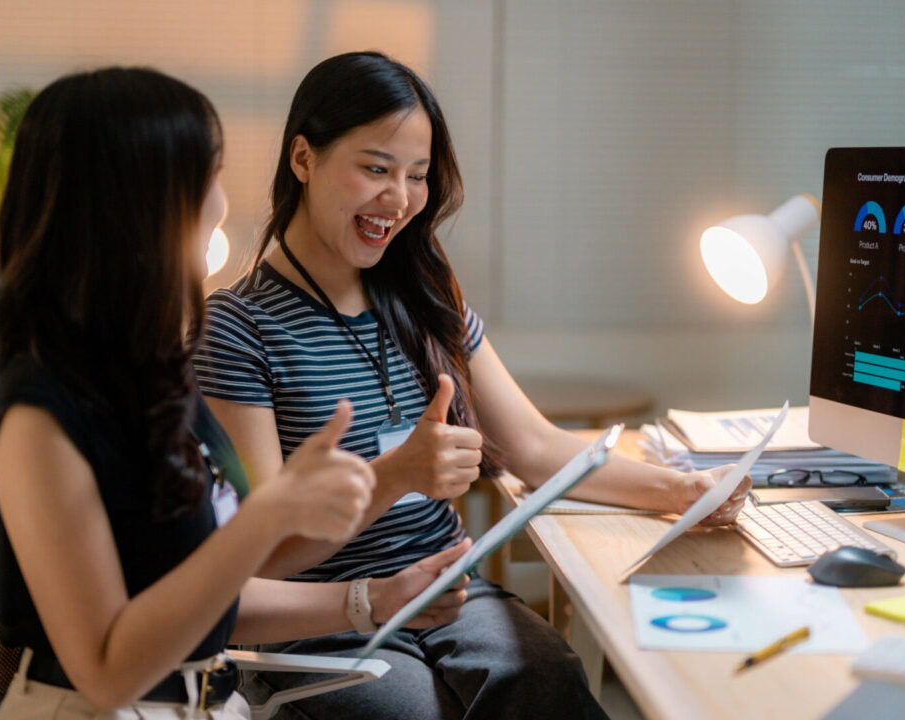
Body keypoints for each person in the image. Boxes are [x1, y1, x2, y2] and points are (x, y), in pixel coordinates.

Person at [195, 52, 752, 719]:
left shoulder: (424, 297)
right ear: (303, 159)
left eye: (418, 175)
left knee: (543, 674)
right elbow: (258, 554)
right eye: (375, 168)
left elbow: (536, 448)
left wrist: (685, 491)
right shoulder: (236, 328)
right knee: (412, 711)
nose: (398, 199)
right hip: (321, 622)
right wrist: (396, 475)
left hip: (450, 594)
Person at [0, 66, 474, 719]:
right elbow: (105, 671)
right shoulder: (39, 409)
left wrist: (371, 599)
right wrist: (271, 514)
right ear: (134, 203)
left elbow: (213, 598)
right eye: (207, 178)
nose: (222, 204)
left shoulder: (151, 372)